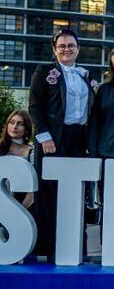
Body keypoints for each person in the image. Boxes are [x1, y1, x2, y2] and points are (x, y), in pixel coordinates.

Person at [28, 28, 95, 259]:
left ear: (78, 49)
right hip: (54, 139)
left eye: (71, 46)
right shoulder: (44, 71)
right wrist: (44, 136)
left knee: (76, 192)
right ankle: (47, 246)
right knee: (49, 192)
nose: (67, 49)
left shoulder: (86, 74)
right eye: (62, 46)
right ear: (55, 49)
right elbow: (35, 106)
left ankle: (74, 245)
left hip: (79, 139)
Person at [0, 110, 34, 208]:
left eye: (20, 124)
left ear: (27, 128)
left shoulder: (32, 154)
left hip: (21, 206)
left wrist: (19, 213)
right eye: (12, 122)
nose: (14, 127)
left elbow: (32, 193)